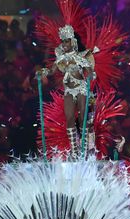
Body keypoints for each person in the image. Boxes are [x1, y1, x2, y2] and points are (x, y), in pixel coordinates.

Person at [37, 24, 96, 157]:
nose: (64, 44)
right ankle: (74, 151)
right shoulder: (60, 58)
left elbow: (89, 69)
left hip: (80, 87)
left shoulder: (80, 56)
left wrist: (91, 74)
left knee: (82, 117)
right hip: (68, 89)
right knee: (69, 118)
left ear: (72, 41)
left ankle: (84, 149)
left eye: (67, 41)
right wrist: (43, 72)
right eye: (62, 41)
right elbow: (52, 70)